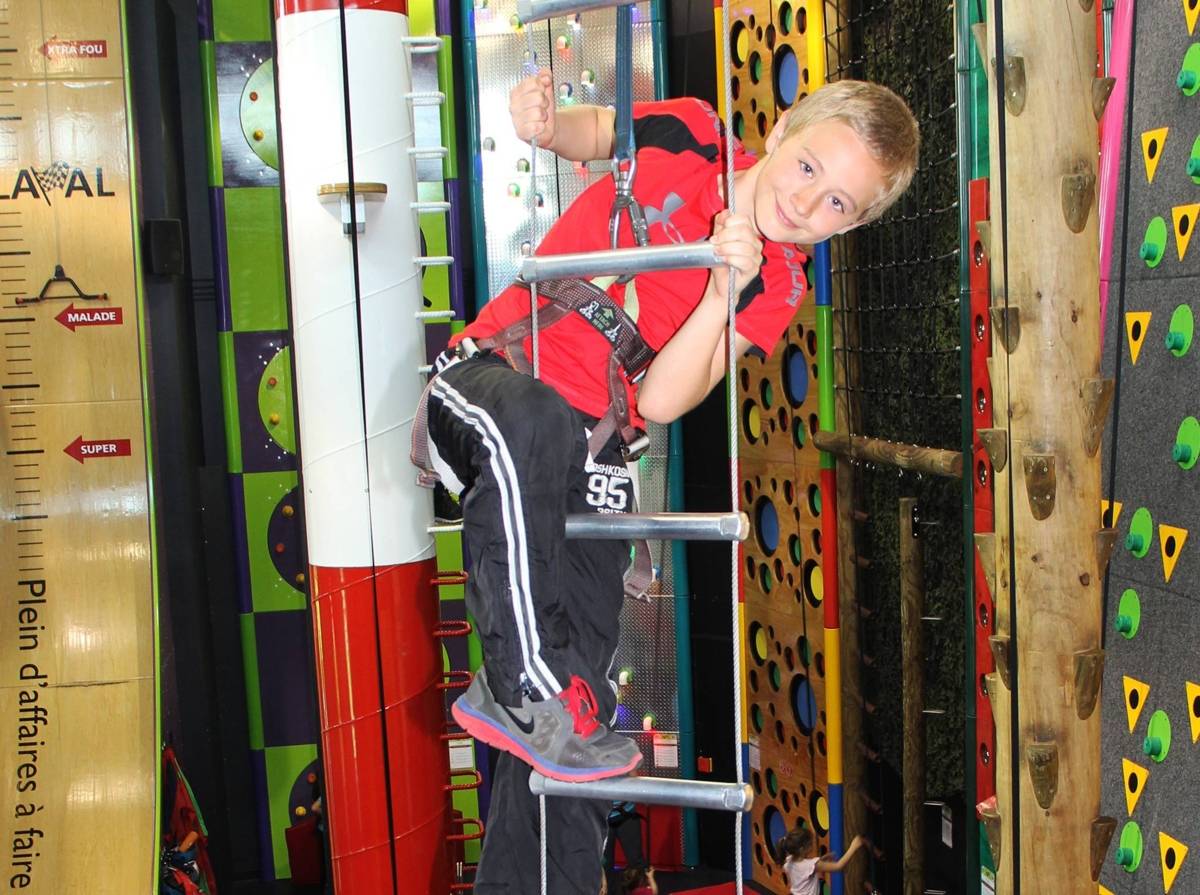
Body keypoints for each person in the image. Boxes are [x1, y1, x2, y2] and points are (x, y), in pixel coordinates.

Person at [417, 69, 918, 893]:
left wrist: (723, 289)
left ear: (851, 223)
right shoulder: (691, 134)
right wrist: (547, 126)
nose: (806, 202)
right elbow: (599, 134)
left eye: (837, 203)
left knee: (580, 716)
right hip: (490, 384)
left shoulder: (775, 283)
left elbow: (657, 400)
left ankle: (539, 851)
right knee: (533, 425)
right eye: (808, 167)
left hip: (591, 452)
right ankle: (523, 686)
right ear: (781, 129)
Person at [778, 826, 866, 895]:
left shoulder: (788, 861)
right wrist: (853, 847)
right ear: (802, 849)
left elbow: (804, 870)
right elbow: (838, 866)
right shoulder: (810, 865)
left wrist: (822, 859)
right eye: (810, 844)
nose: (812, 846)